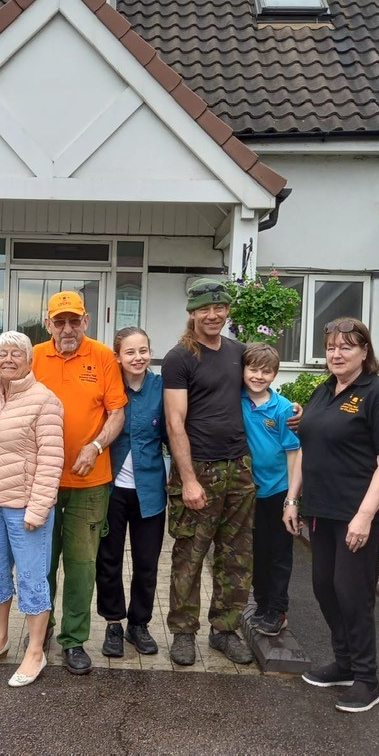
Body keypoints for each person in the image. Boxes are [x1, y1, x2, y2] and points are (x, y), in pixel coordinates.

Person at [284, 318, 379, 714]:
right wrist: (292, 498)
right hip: (321, 510)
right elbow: (305, 447)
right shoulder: (323, 391)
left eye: (346, 347)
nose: (336, 354)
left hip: (356, 513)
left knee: (353, 595)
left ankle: (368, 681)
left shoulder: (378, 395)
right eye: (331, 347)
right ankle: (344, 663)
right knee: (324, 587)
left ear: (364, 352)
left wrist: (365, 516)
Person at [160, 278, 255, 667]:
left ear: (227, 311)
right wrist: (188, 479)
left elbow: (262, 394)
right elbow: (174, 421)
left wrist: (292, 413)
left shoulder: (239, 352)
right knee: (190, 554)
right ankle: (184, 632)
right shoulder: (180, 357)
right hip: (199, 469)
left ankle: (225, 631)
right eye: (205, 309)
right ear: (192, 313)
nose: (213, 315)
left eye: (219, 308)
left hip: (240, 468)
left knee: (237, 557)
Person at [31, 291, 126, 675]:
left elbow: (117, 411)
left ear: (86, 320)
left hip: (91, 482)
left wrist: (97, 444)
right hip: (42, 481)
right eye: (60, 321)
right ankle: (41, 632)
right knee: (40, 562)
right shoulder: (33, 355)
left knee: (82, 564)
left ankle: (74, 640)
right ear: (48, 322)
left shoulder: (103, 356)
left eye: (74, 321)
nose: (67, 328)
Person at [0, 331, 65, 687]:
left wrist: (39, 508)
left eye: (17, 354)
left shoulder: (46, 401)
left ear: (30, 360)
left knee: (31, 578)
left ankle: (36, 651)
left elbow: (51, 460)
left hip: (27, 507)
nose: (8, 360)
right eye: (2, 354)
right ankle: (0, 638)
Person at [94, 326, 166, 658]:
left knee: (147, 561)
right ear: (117, 356)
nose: (137, 358)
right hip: (110, 490)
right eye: (130, 352)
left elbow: (175, 432)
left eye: (143, 351)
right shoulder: (109, 387)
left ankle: (139, 624)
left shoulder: (162, 388)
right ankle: (113, 623)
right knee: (108, 559)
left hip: (150, 490)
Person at [241, 342, 302, 636]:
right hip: (248, 491)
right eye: (253, 369)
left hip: (277, 491)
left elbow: (294, 452)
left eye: (266, 371)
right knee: (257, 552)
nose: (258, 376)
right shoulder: (235, 400)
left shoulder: (284, 409)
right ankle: (262, 604)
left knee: (279, 553)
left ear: (275, 375)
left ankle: (278, 610)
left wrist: (292, 498)